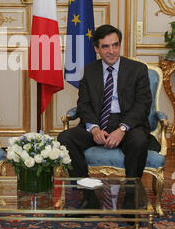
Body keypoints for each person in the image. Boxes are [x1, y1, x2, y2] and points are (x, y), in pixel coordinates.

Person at [58, 24, 160, 180]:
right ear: (96, 49)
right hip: (98, 122)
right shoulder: (90, 71)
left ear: (119, 45)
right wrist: (94, 129)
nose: (112, 51)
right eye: (105, 47)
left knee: (138, 141)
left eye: (115, 45)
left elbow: (143, 104)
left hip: (129, 124)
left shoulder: (138, 69)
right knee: (65, 138)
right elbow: (83, 104)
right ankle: (85, 188)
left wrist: (122, 129)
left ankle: (131, 196)